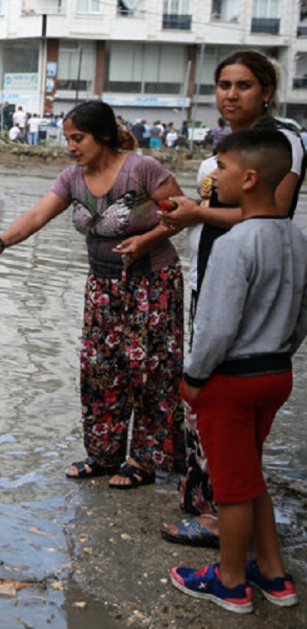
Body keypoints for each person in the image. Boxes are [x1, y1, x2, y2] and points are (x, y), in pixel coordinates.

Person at [0, 101, 184, 489]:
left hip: (152, 286)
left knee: (150, 372)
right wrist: (0, 242)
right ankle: (104, 454)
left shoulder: (142, 169)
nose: (71, 146)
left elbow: (183, 211)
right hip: (102, 287)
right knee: (99, 369)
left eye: (78, 138)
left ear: (102, 135)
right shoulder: (73, 178)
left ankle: (144, 460)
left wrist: (145, 239)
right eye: (68, 138)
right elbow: (38, 215)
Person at [159, 49, 306, 549]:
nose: (230, 94)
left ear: (266, 90)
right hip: (212, 282)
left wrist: (198, 215)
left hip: (242, 294)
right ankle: (219, 514)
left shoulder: (278, 141)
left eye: (243, 85)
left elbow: (268, 215)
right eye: (223, 85)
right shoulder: (229, 143)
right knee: (219, 426)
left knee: (224, 418)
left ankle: (224, 531)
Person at [168, 129, 305, 614]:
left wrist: (194, 377)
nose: (212, 179)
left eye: (219, 169)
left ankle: (228, 583)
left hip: (230, 379)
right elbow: (302, 315)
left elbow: (215, 325)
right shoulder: (295, 235)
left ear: (249, 178)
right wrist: (280, 351)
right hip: (276, 373)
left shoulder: (232, 242)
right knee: (251, 475)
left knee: (229, 485)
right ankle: (274, 574)